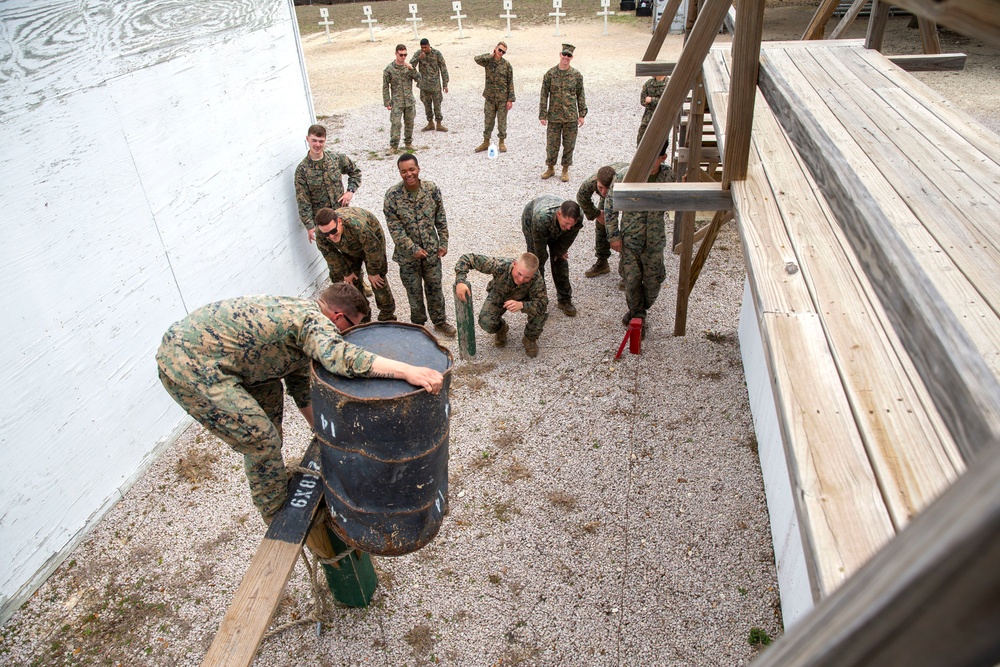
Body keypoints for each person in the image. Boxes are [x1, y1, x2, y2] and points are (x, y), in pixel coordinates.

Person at [156, 284, 444, 522]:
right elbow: (341, 357)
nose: (342, 335)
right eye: (347, 328)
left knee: (271, 413)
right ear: (337, 316)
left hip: (227, 359)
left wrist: (321, 433)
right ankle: (275, 513)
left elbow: (300, 388)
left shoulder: (300, 319)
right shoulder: (312, 321)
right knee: (261, 439)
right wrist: (408, 370)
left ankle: (271, 479)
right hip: (188, 364)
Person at [383, 153, 457, 338]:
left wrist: (444, 241)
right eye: (404, 171)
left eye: (412, 169)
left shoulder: (431, 189)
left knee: (435, 287)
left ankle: (440, 322)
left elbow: (440, 217)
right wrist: (412, 249)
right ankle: (418, 325)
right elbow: (395, 228)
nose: (408, 174)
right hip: (407, 257)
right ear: (399, 172)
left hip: (431, 251)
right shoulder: (392, 196)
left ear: (418, 169)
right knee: (414, 291)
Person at [604, 149, 674, 338]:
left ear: (663, 158)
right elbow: (610, 206)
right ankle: (638, 316)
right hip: (630, 241)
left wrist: (684, 186)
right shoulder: (626, 175)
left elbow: (675, 202)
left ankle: (640, 309)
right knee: (632, 281)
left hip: (654, 241)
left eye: (655, 158)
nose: (650, 161)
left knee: (653, 282)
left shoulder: (668, 175)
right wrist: (614, 236)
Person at [294, 124, 366, 287]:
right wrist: (310, 226)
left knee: (353, 251)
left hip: (341, 217)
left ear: (325, 141)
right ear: (307, 140)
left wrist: (350, 191)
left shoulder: (336, 159)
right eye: (314, 140)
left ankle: (360, 281)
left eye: (321, 141)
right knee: (333, 259)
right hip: (323, 224)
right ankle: (340, 290)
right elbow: (302, 199)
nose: (317, 145)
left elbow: (355, 172)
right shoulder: (302, 171)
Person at [454, 252, 548, 358]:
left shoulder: (536, 278)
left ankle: (530, 338)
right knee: (486, 322)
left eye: (527, 277)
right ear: (515, 264)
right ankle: (501, 329)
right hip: (500, 294)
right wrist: (460, 281)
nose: (521, 280)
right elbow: (468, 258)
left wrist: (522, 305)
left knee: (540, 314)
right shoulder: (500, 265)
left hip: (524, 299)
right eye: (519, 274)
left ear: (533, 273)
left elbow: (542, 304)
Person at [313, 207, 397, 322]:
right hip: (348, 248)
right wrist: (346, 272)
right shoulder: (321, 234)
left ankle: (387, 317)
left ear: (339, 222)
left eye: (333, 231)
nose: (331, 236)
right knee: (352, 283)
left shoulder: (359, 227)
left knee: (378, 281)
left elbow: (374, 250)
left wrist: (373, 272)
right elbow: (331, 256)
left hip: (371, 242)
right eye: (327, 234)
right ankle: (363, 317)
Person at [521, 196, 583, 317]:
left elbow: (569, 236)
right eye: (566, 223)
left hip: (550, 222)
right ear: (559, 214)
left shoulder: (577, 218)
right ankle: (538, 302)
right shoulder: (540, 219)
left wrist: (559, 251)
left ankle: (565, 300)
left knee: (560, 259)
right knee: (536, 264)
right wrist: (542, 257)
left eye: (572, 224)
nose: (569, 227)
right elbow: (540, 253)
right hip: (532, 219)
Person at [538, 44, 587, 182]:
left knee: (569, 144)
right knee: (552, 144)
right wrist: (542, 114)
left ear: (572, 57)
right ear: (560, 54)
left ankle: (565, 169)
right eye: (564, 54)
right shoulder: (550, 74)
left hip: (571, 116)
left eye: (569, 55)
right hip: (554, 117)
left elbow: (580, 95)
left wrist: (582, 114)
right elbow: (544, 95)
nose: (566, 57)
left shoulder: (576, 75)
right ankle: (550, 167)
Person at [577, 163, 627, 278]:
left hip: (625, 194)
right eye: (600, 188)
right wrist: (597, 213)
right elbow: (581, 197)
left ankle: (628, 267)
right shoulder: (592, 181)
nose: (603, 192)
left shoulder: (623, 180)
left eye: (607, 188)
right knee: (602, 223)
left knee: (629, 225)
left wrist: (615, 236)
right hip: (611, 195)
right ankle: (602, 261)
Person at [474, 42, 515, 154]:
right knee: (488, 120)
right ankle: (486, 142)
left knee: (502, 122)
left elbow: (510, 82)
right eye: (500, 50)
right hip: (490, 97)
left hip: (502, 98)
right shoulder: (488, 61)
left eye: (503, 52)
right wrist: (490, 55)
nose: (501, 53)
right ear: (495, 49)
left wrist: (510, 99)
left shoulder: (506, 65)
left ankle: (501, 142)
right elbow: (477, 59)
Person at [383, 44, 420, 153]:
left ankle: (408, 143)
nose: (403, 57)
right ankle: (394, 146)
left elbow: (419, 79)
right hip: (397, 102)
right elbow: (385, 86)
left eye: (405, 55)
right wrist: (387, 101)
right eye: (401, 55)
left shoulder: (409, 67)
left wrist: (412, 69)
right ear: (396, 54)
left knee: (410, 123)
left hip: (409, 101)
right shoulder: (389, 69)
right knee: (396, 123)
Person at [411, 38, 449, 132]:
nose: (424, 49)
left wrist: (445, 83)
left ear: (429, 45)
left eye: (425, 47)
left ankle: (439, 124)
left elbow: (443, 68)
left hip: (435, 85)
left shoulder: (437, 53)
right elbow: (410, 65)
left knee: (437, 104)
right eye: (422, 47)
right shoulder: (419, 54)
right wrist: (418, 58)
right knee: (427, 104)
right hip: (423, 85)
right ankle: (430, 123)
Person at [637, 75, 667, 145]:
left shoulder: (669, 83)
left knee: (660, 141)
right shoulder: (649, 83)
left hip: (663, 117)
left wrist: (652, 100)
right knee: (642, 138)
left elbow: (668, 102)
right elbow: (643, 101)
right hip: (648, 117)